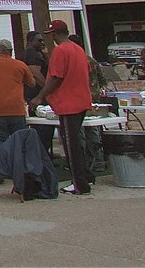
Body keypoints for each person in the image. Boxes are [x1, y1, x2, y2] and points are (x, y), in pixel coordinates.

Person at [30, 20, 93, 195]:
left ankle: (80, 184)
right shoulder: (78, 49)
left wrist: (40, 96)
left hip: (68, 103)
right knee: (77, 143)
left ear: (56, 34)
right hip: (81, 100)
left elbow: (56, 77)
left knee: (70, 146)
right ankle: (86, 176)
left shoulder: (60, 51)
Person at [0, 39, 35, 156]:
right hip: (17, 110)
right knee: (20, 140)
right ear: (11, 51)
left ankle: (1, 167)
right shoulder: (20, 65)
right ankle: (20, 167)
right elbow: (32, 83)